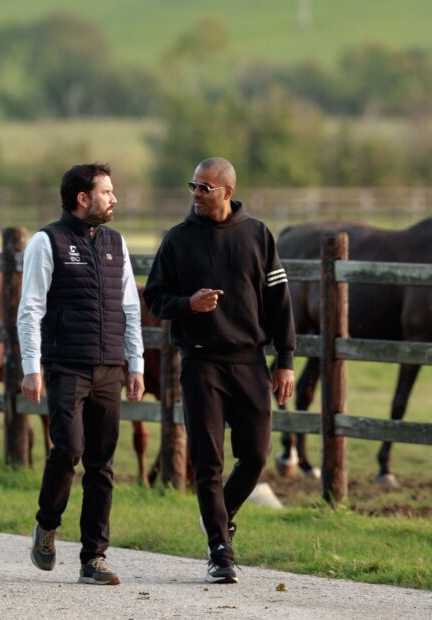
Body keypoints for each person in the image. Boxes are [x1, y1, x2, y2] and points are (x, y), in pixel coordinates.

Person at [143, 156, 296, 584]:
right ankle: (219, 551)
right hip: (199, 362)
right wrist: (187, 304)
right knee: (207, 462)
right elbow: (155, 297)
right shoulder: (177, 240)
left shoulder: (257, 235)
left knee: (256, 456)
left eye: (204, 188)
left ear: (226, 192)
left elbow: (280, 305)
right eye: (192, 186)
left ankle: (218, 516)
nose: (195, 194)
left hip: (250, 362)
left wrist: (284, 361)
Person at [17, 163, 145, 586]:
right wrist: (31, 368)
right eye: (107, 192)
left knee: (102, 463)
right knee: (68, 449)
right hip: (65, 364)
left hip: (109, 365)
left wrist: (136, 363)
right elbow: (31, 308)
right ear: (82, 199)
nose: (114, 199)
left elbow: (130, 307)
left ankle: (94, 558)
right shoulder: (46, 241)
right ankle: (47, 524)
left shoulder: (116, 243)